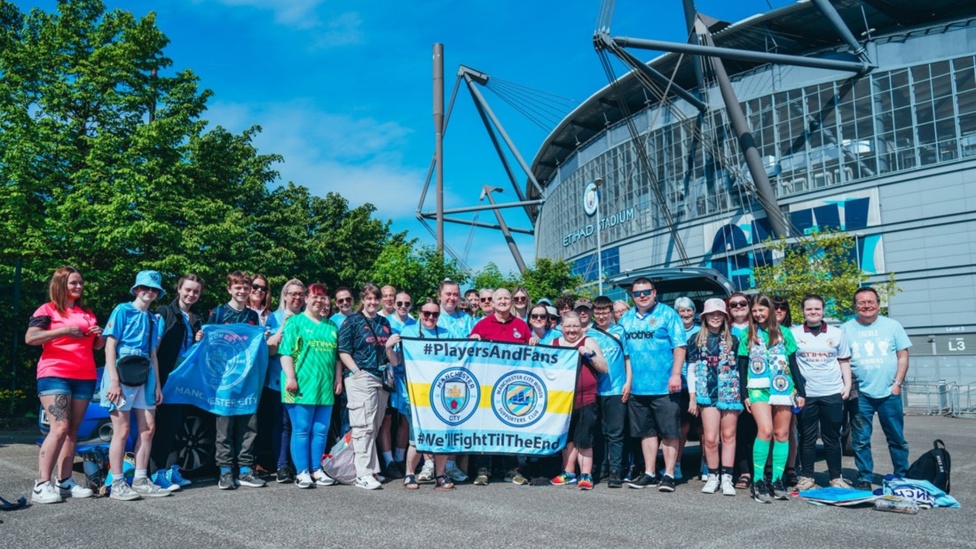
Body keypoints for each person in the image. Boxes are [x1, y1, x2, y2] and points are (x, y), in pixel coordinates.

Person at [26, 267, 105, 504]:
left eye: (80, 283)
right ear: (61, 284)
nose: (78, 287)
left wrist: (98, 335)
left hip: (85, 375)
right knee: (59, 427)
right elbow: (30, 337)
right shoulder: (47, 309)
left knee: (73, 430)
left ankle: (65, 482)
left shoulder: (87, 312)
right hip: (54, 373)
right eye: (73, 283)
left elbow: (97, 347)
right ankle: (41, 484)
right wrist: (63, 331)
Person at [101, 270, 171, 500]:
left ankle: (141, 478)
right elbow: (110, 346)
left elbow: (153, 354)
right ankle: (118, 482)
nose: (148, 292)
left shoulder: (154, 319)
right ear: (136, 289)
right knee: (122, 430)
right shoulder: (122, 310)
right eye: (145, 288)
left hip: (146, 373)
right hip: (123, 370)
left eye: (153, 289)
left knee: (148, 427)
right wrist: (113, 380)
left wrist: (157, 385)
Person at [618, 278, 687, 493]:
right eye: (637, 293)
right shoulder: (626, 319)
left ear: (654, 292)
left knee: (669, 433)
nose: (642, 296)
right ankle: (649, 472)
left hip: (665, 386)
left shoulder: (668, 314)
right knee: (646, 433)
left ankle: (668, 474)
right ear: (632, 296)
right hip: (638, 387)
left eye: (646, 292)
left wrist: (676, 374)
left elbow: (680, 346)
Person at [841, 287, 911, 491]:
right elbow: (841, 359)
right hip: (860, 393)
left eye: (870, 302)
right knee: (861, 440)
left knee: (897, 438)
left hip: (890, 392)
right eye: (861, 303)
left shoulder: (893, 326)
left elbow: (903, 356)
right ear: (855, 306)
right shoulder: (846, 329)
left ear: (879, 304)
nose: (866, 306)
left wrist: (897, 384)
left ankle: (902, 475)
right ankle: (864, 477)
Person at [738, 294, 805, 503]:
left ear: (770, 311)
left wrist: (801, 392)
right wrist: (744, 394)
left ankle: (777, 480)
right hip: (758, 388)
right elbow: (741, 366)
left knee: (782, 433)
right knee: (765, 431)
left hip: (783, 388)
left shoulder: (785, 333)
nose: (758, 314)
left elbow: (793, 365)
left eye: (761, 310)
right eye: (754, 311)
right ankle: (759, 481)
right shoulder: (748, 334)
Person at [384, 299, 456, 491]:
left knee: (442, 437)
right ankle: (409, 473)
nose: (430, 318)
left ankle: (440, 475)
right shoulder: (408, 333)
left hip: (441, 396)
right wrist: (388, 348)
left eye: (435, 314)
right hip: (415, 395)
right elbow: (397, 361)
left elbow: (457, 361)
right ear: (420, 313)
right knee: (417, 438)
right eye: (426, 314)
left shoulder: (447, 334)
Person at [278, 283, 342, 489]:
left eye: (323, 297)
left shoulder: (331, 326)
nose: (319, 301)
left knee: (321, 431)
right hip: (301, 386)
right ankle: (302, 472)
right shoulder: (295, 322)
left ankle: (316, 469)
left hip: (324, 388)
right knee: (302, 430)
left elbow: (336, 358)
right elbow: (286, 352)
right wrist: (291, 378)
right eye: (315, 296)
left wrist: (338, 379)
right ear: (306, 298)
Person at [207, 271, 263, 490]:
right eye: (237, 288)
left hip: (248, 379)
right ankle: (225, 471)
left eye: (246, 288)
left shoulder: (253, 316)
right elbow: (209, 347)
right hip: (224, 381)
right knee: (224, 427)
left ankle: (246, 470)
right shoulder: (218, 312)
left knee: (249, 426)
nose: (242, 291)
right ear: (229, 289)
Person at [469, 288, 531, 485]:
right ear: (492, 303)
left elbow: (531, 353)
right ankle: (483, 469)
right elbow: (469, 353)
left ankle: (511, 470)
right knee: (485, 428)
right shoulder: (482, 325)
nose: (503, 301)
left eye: (506, 298)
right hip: (487, 385)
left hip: (513, 387)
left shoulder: (521, 326)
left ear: (511, 302)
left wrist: (533, 342)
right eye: (499, 298)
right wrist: (473, 341)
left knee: (510, 427)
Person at [792, 294, 852, 490]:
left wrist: (847, 385)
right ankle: (807, 477)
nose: (813, 312)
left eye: (817, 309)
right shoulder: (794, 333)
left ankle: (836, 477)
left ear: (823, 310)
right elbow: (791, 364)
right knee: (807, 437)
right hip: (806, 394)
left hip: (832, 392)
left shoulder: (837, 333)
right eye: (809, 309)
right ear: (803, 311)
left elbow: (844, 361)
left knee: (832, 437)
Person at [150, 274, 204, 490]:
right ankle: (156, 473)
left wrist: (199, 339)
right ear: (179, 289)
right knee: (161, 427)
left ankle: (172, 470)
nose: (191, 294)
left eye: (196, 292)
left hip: (185, 381)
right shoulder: (164, 313)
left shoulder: (196, 319)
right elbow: (154, 348)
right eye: (188, 290)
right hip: (165, 379)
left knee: (177, 428)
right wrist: (154, 382)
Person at [337, 283, 392, 490]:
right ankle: (362, 473)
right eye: (369, 298)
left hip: (381, 378)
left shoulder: (384, 322)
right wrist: (357, 372)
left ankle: (372, 469)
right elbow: (343, 350)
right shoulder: (352, 321)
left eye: (376, 299)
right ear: (363, 300)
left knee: (374, 426)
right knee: (362, 426)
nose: (372, 302)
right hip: (361, 376)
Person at [686, 299, 742, 496]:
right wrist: (692, 396)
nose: (715, 317)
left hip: (730, 392)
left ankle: (727, 477)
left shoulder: (734, 340)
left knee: (729, 436)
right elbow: (691, 370)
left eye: (719, 314)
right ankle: (712, 475)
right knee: (710, 438)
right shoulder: (694, 339)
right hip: (705, 393)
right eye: (711, 314)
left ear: (725, 317)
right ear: (704, 317)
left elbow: (741, 369)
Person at [551, 312, 608, 490]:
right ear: (561, 328)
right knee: (567, 439)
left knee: (584, 438)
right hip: (563, 400)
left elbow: (604, 368)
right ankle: (568, 472)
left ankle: (586, 474)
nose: (572, 330)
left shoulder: (588, 342)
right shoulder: (554, 344)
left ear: (581, 327)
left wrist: (588, 354)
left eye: (575, 326)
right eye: (568, 326)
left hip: (586, 398)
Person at [588, 296, 631, 488]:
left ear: (611, 313)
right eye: (598, 313)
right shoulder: (589, 334)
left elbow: (628, 359)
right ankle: (601, 468)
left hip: (616, 388)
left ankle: (616, 469)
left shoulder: (620, 332)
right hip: (596, 390)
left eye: (605, 312)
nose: (602, 316)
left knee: (616, 433)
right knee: (599, 432)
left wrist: (628, 382)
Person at [266, 278, 306, 483]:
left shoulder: (309, 317)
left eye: (300, 294)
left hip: (306, 381)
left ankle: (299, 466)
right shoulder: (275, 317)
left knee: (301, 425)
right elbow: (270, 349)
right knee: (283, 425)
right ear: (285, 296)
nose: (297, 297)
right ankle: (282, 466)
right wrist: (284, 324)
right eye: (293, 294)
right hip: (278, 380)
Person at [378, 291, 415, 480]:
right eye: (399, 303)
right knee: (386, 419)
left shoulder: (415, 324)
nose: (402, 306)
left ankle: (400, 458)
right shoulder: (385, 322)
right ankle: (388, 460)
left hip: (409, 378)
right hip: (389, 376)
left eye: (406, 303)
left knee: (405, 419)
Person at [727, 292, 757, 490]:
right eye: (733, 304)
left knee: (759, 429)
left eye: (742, 303)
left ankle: (761, 470)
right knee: (738, 431)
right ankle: (744, 471)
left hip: (757, 384)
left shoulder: (758, 328)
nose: (738, 306)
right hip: (731, 386)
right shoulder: (726, 329)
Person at [674, 296, 700, 481]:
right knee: (682, 428)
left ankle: (706, 466)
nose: (685, 313)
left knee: (704, 429)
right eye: (681, 310)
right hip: (679, 385)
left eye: (689, 310)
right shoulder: (672, 331)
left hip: (700, 385)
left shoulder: (701, 331)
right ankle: (676, 465)